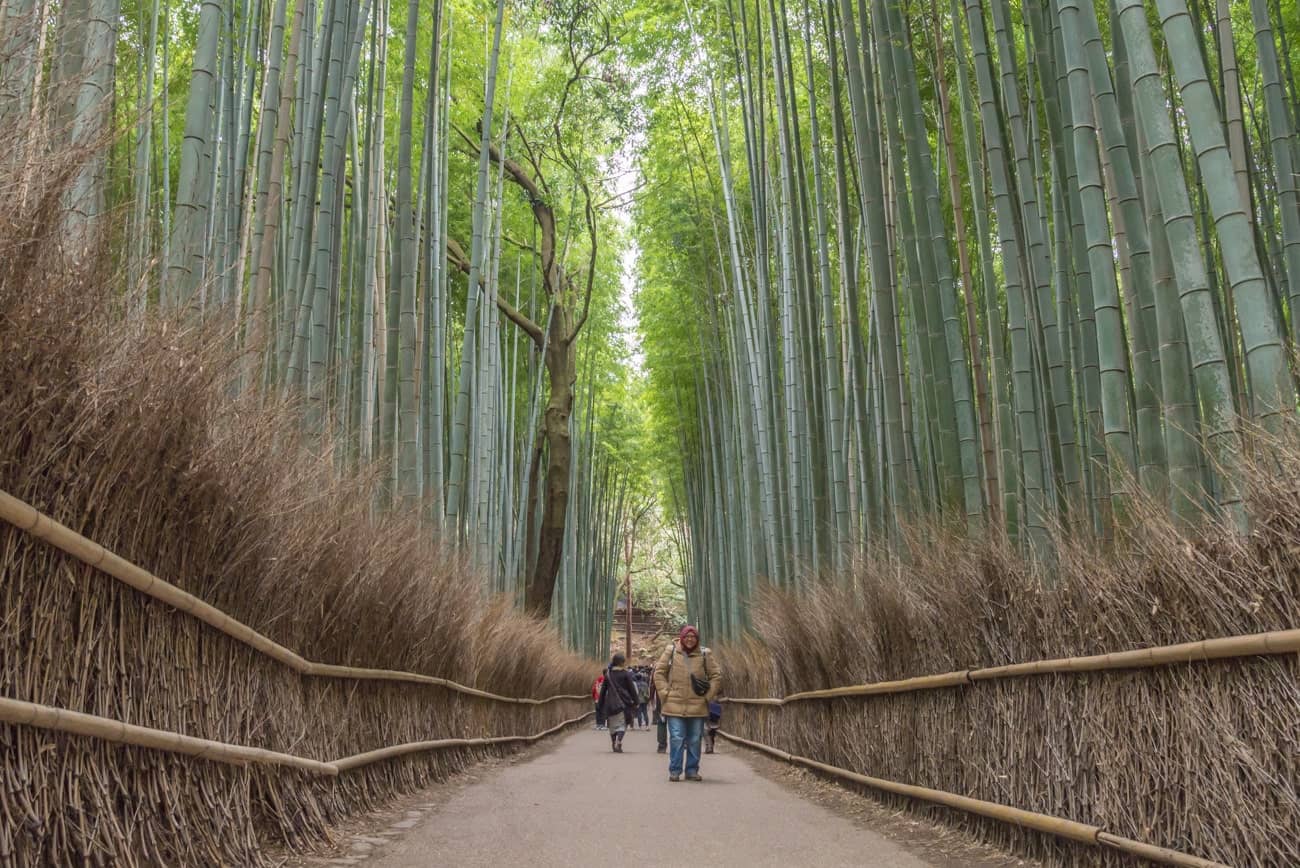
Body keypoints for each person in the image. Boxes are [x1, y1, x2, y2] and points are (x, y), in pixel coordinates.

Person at [652, 625, 722, 782]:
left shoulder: (705, 654)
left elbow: (716, 676)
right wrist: (665, 693)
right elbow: (659, 673)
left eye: (693, 637)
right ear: (682, 637)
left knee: (695, 739)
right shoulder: (671, 651)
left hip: (697, 705)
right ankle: (675, 770)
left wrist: (707, 697)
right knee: (677, 737)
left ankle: (691, 770)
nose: (690, 639)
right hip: (674, 703)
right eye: (687, 637)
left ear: (697, 639)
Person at [597, 653, 639, 752]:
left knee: (612, 724)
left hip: (610, 703)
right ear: (622, 663)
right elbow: (632, 689)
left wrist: (600, 703)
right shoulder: (626, 674)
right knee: (622, 724)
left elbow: (603, 691)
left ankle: (613, 742)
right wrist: (636, 701)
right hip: (623, 703)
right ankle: (619, 740)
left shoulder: (608, 674)